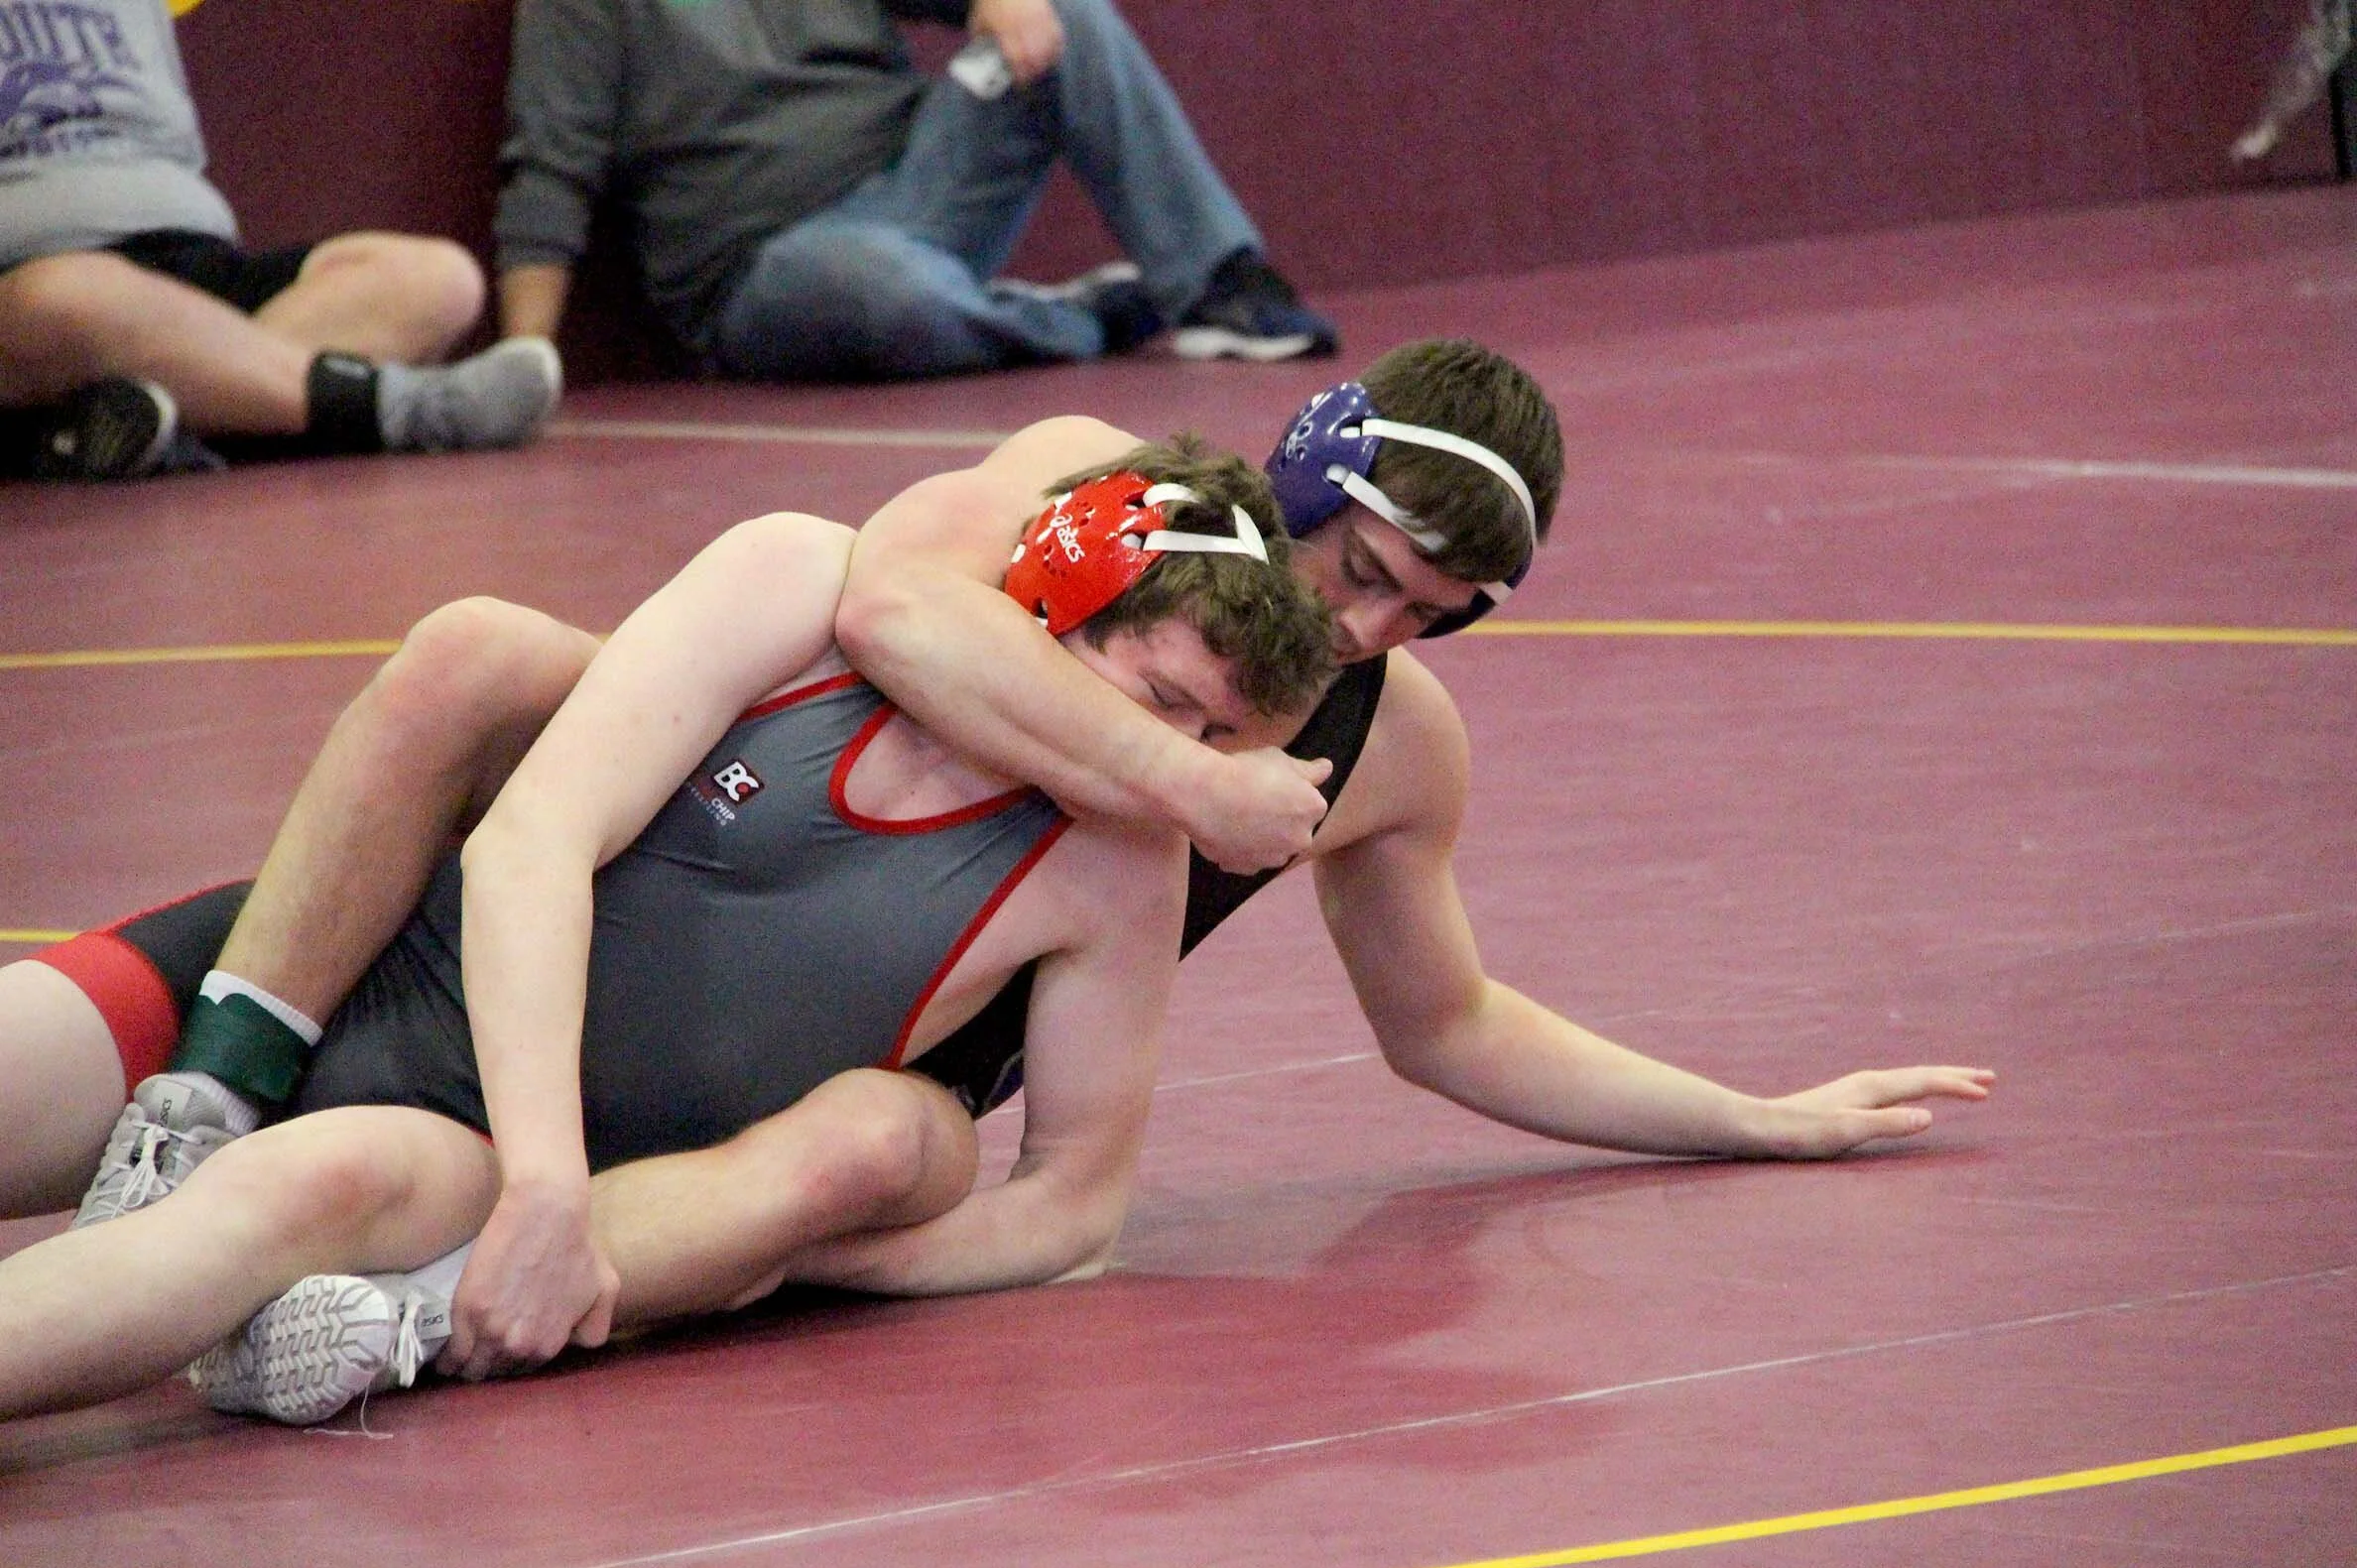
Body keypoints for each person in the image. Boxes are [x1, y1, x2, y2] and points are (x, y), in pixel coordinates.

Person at [32, 338, 1992, 1396]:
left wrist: (1752, 1115)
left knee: (877, 1142)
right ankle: (223, 1068)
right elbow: (888, 604)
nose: (1367, 631)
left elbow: (1445, 1018)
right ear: (1295, 471)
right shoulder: (1084, 493)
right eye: (1361, 570)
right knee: (482, 658)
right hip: (537, 924)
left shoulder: (1337, 764)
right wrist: (1190, 775)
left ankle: (407, 1287)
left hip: (787, 1069)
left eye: (1431, 615)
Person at [0, 439, 1336, 1427]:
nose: (1176, 759)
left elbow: (1071, 1209)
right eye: (1158, 698)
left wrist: (758, 1260)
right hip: (367, 971)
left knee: (271, 1209)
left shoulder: (1120, 868)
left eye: (1213, 734)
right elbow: (531, 842)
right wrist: (549, 1189)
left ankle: (374, 1273)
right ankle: (212, 1089)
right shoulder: (796, 588)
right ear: (1056, 593)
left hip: (468, 1155)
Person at [493, 0, 1335, 380]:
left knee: (1065, 13)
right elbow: (550, 165)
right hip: (769, 269)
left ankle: (1219, 284)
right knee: (877, 286)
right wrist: (528, 360)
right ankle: (1078, 318)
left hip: (924, 183)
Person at [0, 0, 563, 480]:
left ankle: (139, 429)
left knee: (437, 281)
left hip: (195, 258)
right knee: (62, 297)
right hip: (39, 277)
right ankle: (401, 408)